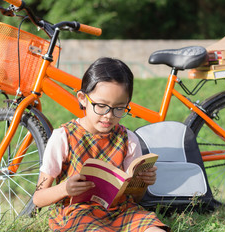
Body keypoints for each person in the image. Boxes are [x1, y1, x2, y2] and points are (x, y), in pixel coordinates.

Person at [33, 57, 170, 232]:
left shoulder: (128, 139)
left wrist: (143, 183)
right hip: (79, 214)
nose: (108, 115)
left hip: (123, 212)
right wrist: (64, 189)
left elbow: (134, 199)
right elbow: (38, 198)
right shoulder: (63, 137)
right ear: (83, 98)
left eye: (119, 108)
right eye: (101, 106)